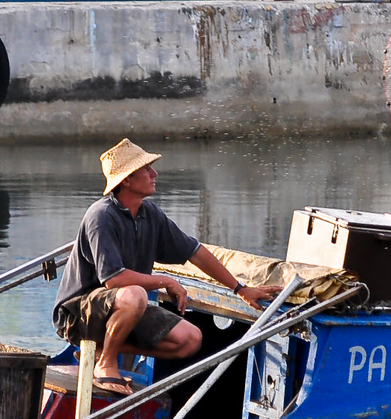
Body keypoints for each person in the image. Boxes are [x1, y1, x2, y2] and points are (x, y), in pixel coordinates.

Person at [53, 139, 281, 396]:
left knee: (190, 339)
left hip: (121, 307)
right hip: (77, 315)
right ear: (126, 180)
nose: (154, 174)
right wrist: (166, 281)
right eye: (146, 169)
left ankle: (101, 351)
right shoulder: (101, 216)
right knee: (135, 293)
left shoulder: (150, 214)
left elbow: (195, 252)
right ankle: (106, 364)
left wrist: (241, 289)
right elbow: (114, 280)